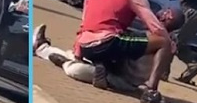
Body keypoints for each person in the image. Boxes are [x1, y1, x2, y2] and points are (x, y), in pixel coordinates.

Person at [72, 0, 177, 103]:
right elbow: (155, 27)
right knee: (163, 42)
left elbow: (85, 23)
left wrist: (78, 51)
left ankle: (103, 66)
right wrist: (169, 44)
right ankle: (151, 93)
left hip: (86, 45)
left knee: (127, 37)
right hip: (108, 41)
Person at [33, 7, 185, 92]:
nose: (161, 12)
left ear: (168, 18)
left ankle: (60, 60)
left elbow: (124, 50)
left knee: (76, 69)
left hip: (120, 79)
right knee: (75, 55)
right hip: (114, 69)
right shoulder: (162, 39)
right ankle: (43, 48)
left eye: (167, 12)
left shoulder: (158, 40)